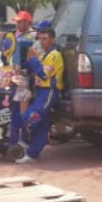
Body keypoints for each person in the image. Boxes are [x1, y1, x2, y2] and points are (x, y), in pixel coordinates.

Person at [0, 10, 36, 147]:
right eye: (16, 21)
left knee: (22, 108)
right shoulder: (15, 33)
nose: (17, 23)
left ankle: (23, 139)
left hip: (24, 76)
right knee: (12, 106)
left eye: (20, 21)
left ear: (27, 22)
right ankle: (14, 139)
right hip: (11, 75)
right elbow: (2, 35)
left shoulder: (32, 36)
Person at [16, 26, 64, 164]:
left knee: (31, 116)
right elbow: (30, 66)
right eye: (40, 39)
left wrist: (35, 59)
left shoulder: (54, 55)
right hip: (40, 92)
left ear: (52, 40)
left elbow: (43, 74)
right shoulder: (45, 54)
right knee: (42, 124)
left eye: (45, 39)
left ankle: (25, 140)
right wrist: (30, 58)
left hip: (49, 92)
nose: (42, 42)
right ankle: (32, 153)